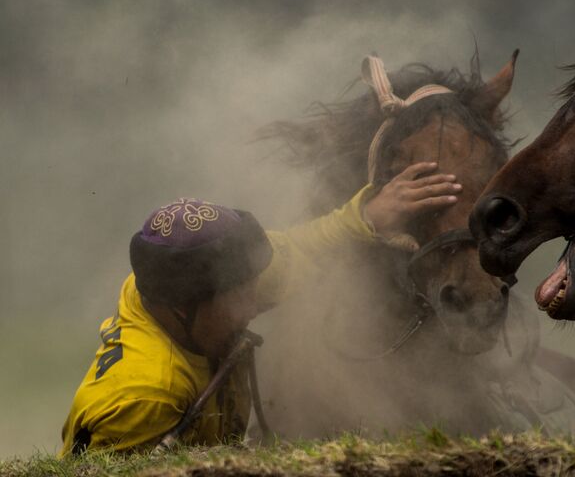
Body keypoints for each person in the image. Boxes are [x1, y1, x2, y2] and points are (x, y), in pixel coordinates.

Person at [59, 162, 461, 454]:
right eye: (241, 299)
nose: (256, 306)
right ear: (183, 308)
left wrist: (366, 217)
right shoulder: (144, 397)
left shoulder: (190, 285)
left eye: (256, 288)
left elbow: (299, 251)